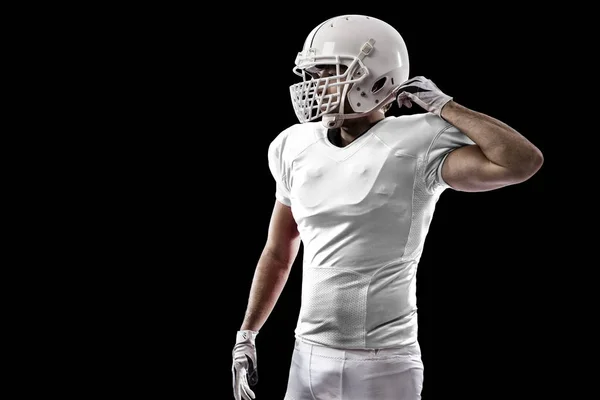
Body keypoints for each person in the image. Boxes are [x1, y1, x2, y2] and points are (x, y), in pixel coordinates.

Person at [231, 14, 544, 400]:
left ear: (375, 77)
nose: (314, 85)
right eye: (312, 74)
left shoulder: (416, 140)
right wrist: (247, 332)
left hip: (382, 363)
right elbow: (279, 252)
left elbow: (520, 162)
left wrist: (446, 107)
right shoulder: (293, 145)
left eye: (329, 72)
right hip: (306, 355)